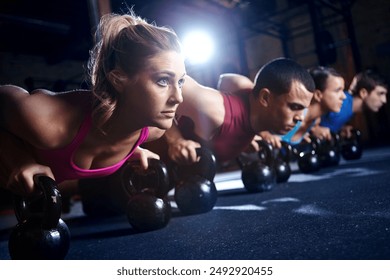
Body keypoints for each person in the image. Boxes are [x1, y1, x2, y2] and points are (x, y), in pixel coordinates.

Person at [0, 11, 186, 197]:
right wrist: (19, 161)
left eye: (180, 82)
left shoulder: (152, 129)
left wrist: (130, 151)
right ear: (118, 80)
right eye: (163, 81)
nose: (178, 98)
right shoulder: (50, 124)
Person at [143, 57, 315, 168]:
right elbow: (156, 88)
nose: (300, 118)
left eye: (303, 109)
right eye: (294, 107)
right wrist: (175, 140)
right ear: (265, 98)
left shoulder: (247, 90)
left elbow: (225, 80)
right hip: (137, 165)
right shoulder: (213, 109)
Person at [217, 66, 346, 150]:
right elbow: (224, 79)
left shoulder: (314, 123)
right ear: (318, 95)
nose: (344, 97)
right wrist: (262, 132)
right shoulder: (279, 111)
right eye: (337, 90)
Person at [320, 69, 388, 138]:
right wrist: (314, 129)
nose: (384, 100)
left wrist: (340, 128)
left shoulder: (349, 108)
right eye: (380, 93)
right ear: (363, 93)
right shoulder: (341, 102)